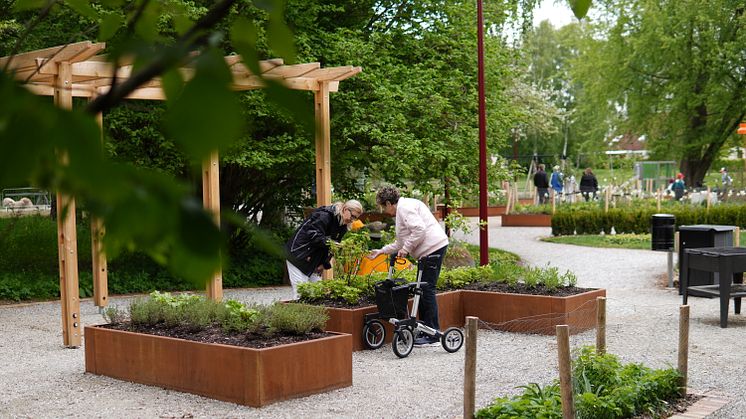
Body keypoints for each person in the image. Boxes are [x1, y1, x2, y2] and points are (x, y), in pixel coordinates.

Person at [368, 186, 449, 346]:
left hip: (434, 248)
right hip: (429, 251)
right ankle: (426, 329)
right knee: (422, 288)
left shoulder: (405, 208)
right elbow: (400, 242)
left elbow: (420, 230)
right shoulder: (402, 210)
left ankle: (433, 334)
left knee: (427, 289)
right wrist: (381, 251)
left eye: (384, 206)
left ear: (390, 203)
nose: (384, 210)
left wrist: (406, 250)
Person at [285, 199, 363, 299]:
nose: (352, 220)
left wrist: (324, 263)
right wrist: (333, 244)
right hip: (297, 254)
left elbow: (332, 248)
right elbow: (314, 236)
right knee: (301, 293)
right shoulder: (324, 215)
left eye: (355, 218)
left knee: (317, 295)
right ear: (345, 209)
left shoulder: (343, 225)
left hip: (313, 258)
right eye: (352, 216)